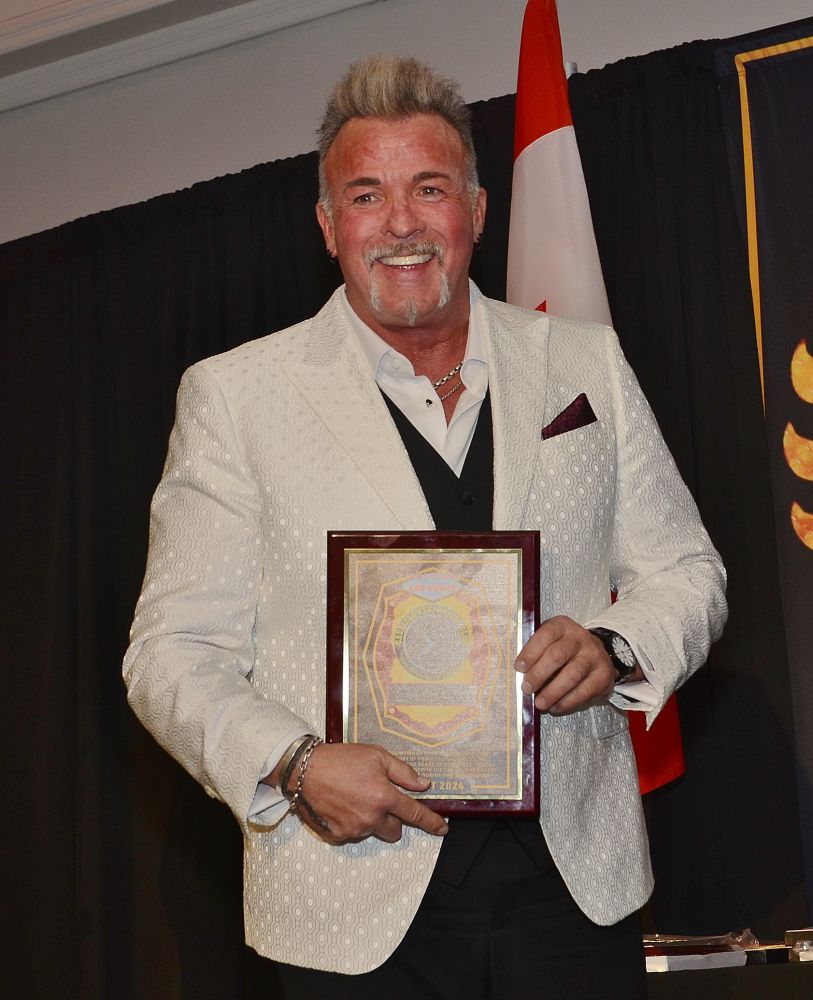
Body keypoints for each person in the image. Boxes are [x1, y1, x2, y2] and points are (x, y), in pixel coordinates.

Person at [123, 55, 727, 998]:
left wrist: (616, 643)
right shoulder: (236, 397)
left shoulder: (584, 362)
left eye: (428, 189)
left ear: (476, 213)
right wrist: (295, 765)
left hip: (572, 896)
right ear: (329, 228)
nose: (400, 223)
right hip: (348, 909)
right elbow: (169, 654)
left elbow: (688, 570)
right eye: (366, 196)